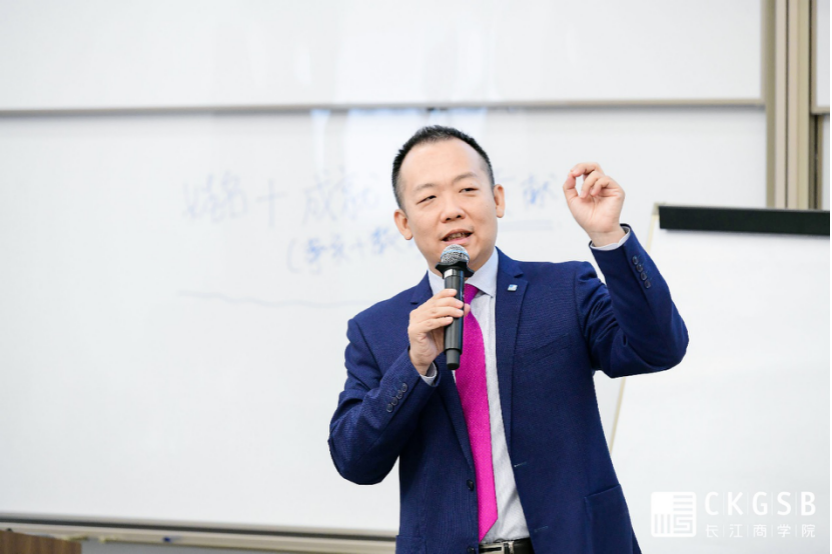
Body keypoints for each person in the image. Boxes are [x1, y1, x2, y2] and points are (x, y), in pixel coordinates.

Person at [328, 126, 688, 554]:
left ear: (497, 200)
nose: (451, 210)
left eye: (467, 189)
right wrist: (415, 364)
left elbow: (659, 348)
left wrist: (609, 237)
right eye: (428, 198)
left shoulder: (564, 289)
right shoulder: (378, 329)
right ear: (404, 223)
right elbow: (355, 461)